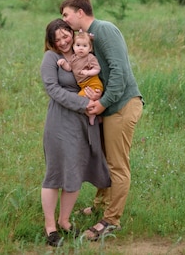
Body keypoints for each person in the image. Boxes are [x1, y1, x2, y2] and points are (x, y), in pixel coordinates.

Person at [60, 0, 144, 241]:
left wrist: (103, 103)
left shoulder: (104, 29)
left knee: (118, 165)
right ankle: (99, 205)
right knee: (104, 159)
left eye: (66, 14)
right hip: (110, 106)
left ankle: (111, 220)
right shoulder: (89, 37)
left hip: (122, 105)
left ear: (80, 12)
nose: (64, 20)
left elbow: (120, 70)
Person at [40, 19, 111, 247]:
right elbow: (52, 89)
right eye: (57, 39)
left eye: (65, 36)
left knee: (75, 170)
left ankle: (65, 221)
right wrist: (83, 104)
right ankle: (50, 227)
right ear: (51, 42)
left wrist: (98, 100)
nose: (62, 42)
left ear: (72, 33)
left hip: (84, 122)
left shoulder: (84, 51)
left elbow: (100, 77)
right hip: (61, 120)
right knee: (55, 173)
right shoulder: (51, 58)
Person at [57, 29, 104, 125]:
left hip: (93, 82)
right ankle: (98, 116)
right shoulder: (73, 58)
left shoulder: (90, 57)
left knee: (81, 99)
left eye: (84, 46)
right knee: (86, 99)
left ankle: (93, 115)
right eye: (78, 45)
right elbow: (69, 68)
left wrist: (88, 72)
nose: (81, 48)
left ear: (90, 48)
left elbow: (97, 69)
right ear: (73, 47)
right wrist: (63, 63)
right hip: (83, 85)